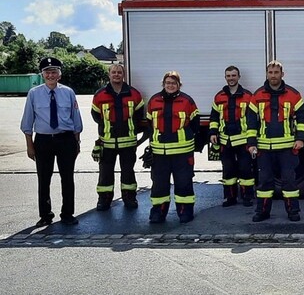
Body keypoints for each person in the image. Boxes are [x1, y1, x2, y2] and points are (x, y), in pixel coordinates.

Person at [21, 57, 83, 227]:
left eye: (54, 72)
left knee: (67, 178)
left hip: (66, 139)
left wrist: (77, 142)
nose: (50, 75)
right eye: (47, 72)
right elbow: (27, 122)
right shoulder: (34, 93)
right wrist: (29, 146)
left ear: (59, 75)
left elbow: (76, 118)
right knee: (43, 178)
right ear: (42, 75)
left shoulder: (68, 92)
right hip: (43, 141)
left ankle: (68, 213)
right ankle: (45, 215)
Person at [248, 60, 304, 222]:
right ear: (267, 74)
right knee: (264, 181)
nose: (273, 76)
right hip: (264, 148)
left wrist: (300, 139)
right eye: (270, 72)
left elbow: (301, 119)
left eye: (276, 72)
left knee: (289, 181)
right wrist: (251, 143)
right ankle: (262, 211)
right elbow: (251, 122)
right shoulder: (257, 95)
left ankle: (293, 211)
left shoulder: (293, 94)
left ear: (282, 74)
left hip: (287, 148)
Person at [144, 71, 200, 223]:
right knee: (159, 185)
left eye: (173, 83)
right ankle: (158, 213)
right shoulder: (154, 100)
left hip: (182, 152)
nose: (170, 85)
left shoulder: (187, 101)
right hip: (159, 152)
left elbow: (195, 124)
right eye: (168, 82)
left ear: (179, 85)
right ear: (163, 84)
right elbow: (149, 124)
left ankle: (185, 212)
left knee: (184, 183)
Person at [90, 63, 145, 211]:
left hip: (128, 142)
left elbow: (139, 115)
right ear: (109, 75)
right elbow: (96, 116)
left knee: (128, 172)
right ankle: (104, 199)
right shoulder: (100, 95)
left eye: (119, 72)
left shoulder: (134, 94)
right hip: (107, 143)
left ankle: (129, 198)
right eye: (113, 72)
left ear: (123, 75)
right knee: (105, 174)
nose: (116, 74)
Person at [209, 65, 256, 208]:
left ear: (239, 77)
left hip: (243, 139)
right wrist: (212, 133)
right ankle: (229, 197)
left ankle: (247, 196)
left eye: (233, 75)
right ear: (225, 78)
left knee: (245, 169)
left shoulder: (248, 96)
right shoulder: (219, 96)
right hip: (225, 140)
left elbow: (253, 119)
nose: (231, 78)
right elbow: (214, 117)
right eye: (228, 76)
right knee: (228, 169)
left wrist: (252, 139)